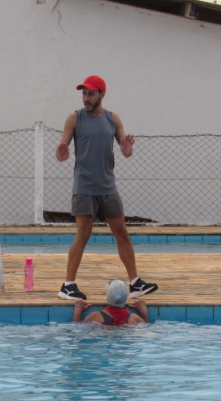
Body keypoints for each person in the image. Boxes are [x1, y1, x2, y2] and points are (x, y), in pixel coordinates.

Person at [56, 75, 158, 302]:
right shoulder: (75, 119)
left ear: (102, 94)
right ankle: (68, 285)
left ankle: (135, 283)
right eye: (84, 93)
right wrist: (61, 153)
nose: (86, 98)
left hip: (107, 186)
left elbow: (126, 151)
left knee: (121, 231)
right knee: (83, 233)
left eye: (90, 93)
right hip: (84, 186)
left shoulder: (113, 119)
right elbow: (61, 152)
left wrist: (127, 148)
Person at [73, 279, 150, 325]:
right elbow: (147, 327)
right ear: (127, 297)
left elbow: (76, 328)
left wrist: (78, 311)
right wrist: (144, 312)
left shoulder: (95, 316)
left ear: (108, 297)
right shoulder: (134, 318)